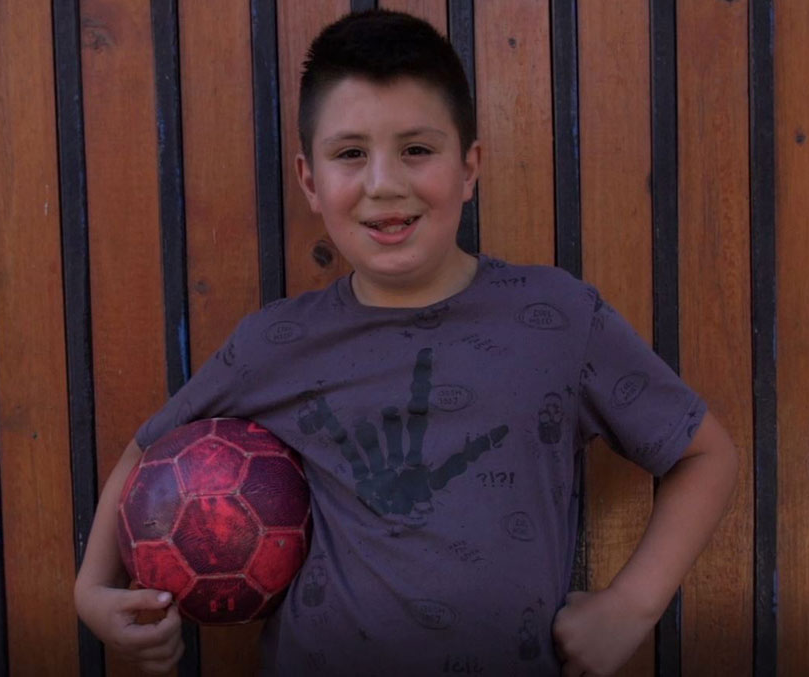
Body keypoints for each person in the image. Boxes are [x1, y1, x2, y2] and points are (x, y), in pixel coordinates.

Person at [74, 9, 738, 676]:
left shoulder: (556, 317)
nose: (384, 183)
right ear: (310, 180)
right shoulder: (277, 342)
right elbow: (147, 449)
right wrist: (93, 590)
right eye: (350, 153)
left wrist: (630, 605)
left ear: (469, 167)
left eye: (417, 150)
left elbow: (706, 454)